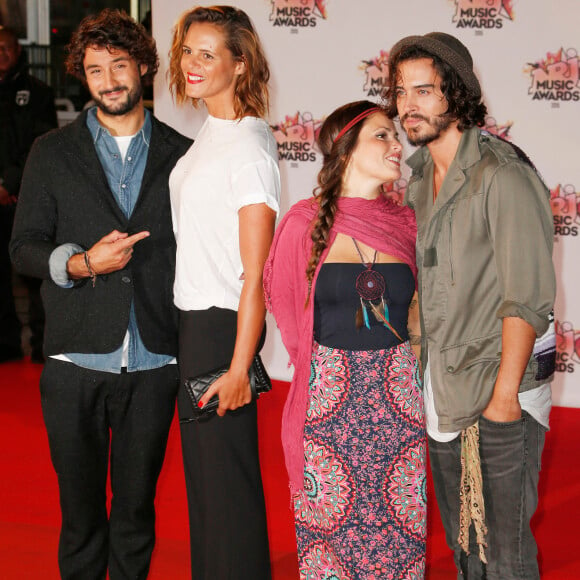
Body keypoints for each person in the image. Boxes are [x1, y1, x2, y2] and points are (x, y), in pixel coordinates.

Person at [10, 9, 191, 579]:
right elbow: (23, 249)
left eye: (119, 65)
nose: (109, 80)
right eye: (94, 70)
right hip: (74, 359)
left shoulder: (183, 153)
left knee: (137, 514)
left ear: (142, 66)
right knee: (81, 516)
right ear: (82, 78)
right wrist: (84, 262)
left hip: (155, 359)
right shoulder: (51, 151)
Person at [385, 32, 556, 579]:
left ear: (455, 95)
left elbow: (526, 297)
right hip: (442, 393)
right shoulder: (411, 180)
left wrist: (504, 396)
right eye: (400, 92)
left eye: (424, 91)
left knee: (505, 557)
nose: (408, 105)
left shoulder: (501, 175)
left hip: (499, 393)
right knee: (467, 550)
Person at [264, 100, 426, 579]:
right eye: (382, 135)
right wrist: (323, 381)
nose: (397, 145)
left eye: (396, 135)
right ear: (346, 148)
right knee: (331, 547)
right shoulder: (303, 224)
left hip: (399, 404)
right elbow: (291, 317)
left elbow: (419, 318)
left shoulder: (408, 224)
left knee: (400, 543)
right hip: (328, 409)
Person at [167, 6, 280, 579]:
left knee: (227, 486)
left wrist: (240, 367)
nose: (193, 63)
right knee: (207, 491)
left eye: (209, 53)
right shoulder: (214, 132)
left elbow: (254, 275)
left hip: (222, 331)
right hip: (196, 326)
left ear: (240, 65)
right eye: (189, 49)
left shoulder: (250, 148)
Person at [0, 25, 57, 363]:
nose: (1, 53)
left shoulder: (38, 93)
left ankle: (41, 345)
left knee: (34, 276)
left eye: (6, 47)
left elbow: (41, 145)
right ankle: (5, 344)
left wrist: (8, 184)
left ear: (17, 51)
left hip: (25, 198)